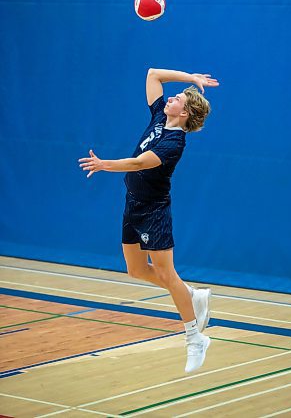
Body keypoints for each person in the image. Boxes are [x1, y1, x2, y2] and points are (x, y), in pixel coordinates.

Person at [78, 68, 219, 372]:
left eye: (178, 99)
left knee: (168, 275)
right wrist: (191, 79)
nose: (171, 98)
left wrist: (104, 164)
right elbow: (153, 74)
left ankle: (195, 339)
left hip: (154, 210)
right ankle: (192, 294)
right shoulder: (159, 118)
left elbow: (139, 163)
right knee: (136, 269)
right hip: (133, 205)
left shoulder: (174, 144)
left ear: (186, 113)